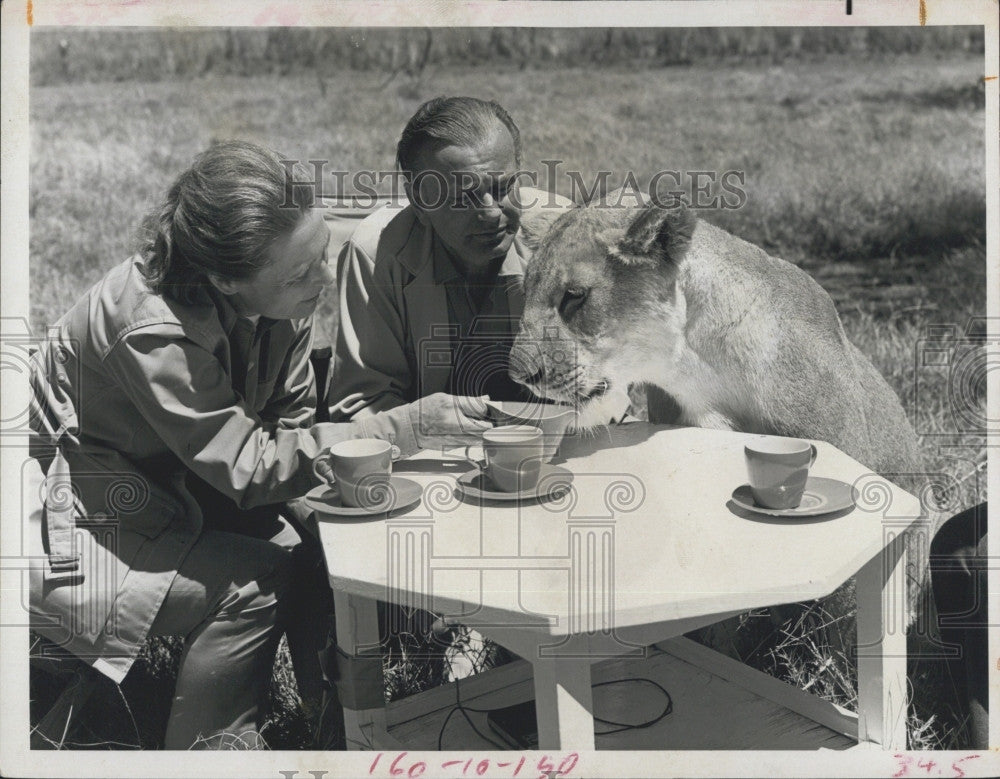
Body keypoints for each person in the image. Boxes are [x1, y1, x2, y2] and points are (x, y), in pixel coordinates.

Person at [27, 140, 491, 749]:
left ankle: (346, 730)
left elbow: (288, 419)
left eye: (322, 256)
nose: (324, 281)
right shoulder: (150, 330)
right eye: (301, 273)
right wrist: (399, 428)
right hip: (64, 508)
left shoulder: (277, 297)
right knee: (254, 581)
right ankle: (217, 750)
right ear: (224, 278)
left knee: (323, 545)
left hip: (164, 480)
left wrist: (330, 530)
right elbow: (248, 467)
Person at [330, 96, 574, 425]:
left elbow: (607, 381)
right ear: (420, 202)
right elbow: (364, 404)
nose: (490, 212)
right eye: (463, 196)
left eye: (504, 187)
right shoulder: (374, 254)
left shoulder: (565, 235)